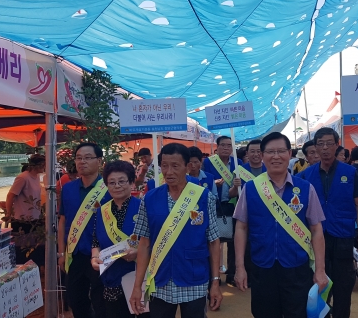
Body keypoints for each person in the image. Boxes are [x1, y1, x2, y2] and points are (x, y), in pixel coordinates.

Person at [233, 132, 329, 318]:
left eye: (281, 151)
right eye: (270, 152)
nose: (276, 156)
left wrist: (320, 269)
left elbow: (316, 230)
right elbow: (241, 227)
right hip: (262, 267)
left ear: (290, 154)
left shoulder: (305, 188)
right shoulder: (250, 189)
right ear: (262, 155)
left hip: (297, 268)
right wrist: (239, 267)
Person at [129, 143, 222, 317]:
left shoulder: (203, 197)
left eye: (175, 166)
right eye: (164, 166)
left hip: (194, 278)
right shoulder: (149, 198)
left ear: (188, 167)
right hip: (160, 280)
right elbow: (144, 244)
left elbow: (214, 241)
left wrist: (215, 282)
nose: (169, 172)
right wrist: (137, 286)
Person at [298, 127, 358, 318]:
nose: (325, 148)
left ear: (337, 145)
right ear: (315, 147)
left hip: (343, 237)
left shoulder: (350, 172)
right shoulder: (306, 175)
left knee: (343, 289)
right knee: (317, 288)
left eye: (329, 143)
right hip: (316, 239)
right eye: (320, 144)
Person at [58, 143, 111, 318]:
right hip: (75, 254)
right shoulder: (68, 189)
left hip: (101, 255)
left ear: (99, 161)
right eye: (79, 158)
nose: (82, 162)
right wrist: (61, 253)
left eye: (88, 158)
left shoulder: (109, 188)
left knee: (101, 302)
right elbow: (63, 220)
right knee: (76, 300)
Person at [90, 160, 147, 317]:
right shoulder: (102, 211)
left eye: (122, 181)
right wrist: (95, 257)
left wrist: (137, 252)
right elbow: (95, 239)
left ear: (131, 182)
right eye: (112, 182)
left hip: (137, 276)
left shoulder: (144, 207)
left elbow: (153, 240)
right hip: (111, 277)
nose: (117, 186)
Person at [202, 136, 243, 285]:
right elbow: (204, 181)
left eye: (229, 146)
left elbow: (238, 190)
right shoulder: (208, 162)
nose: (226, 148)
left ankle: (232, 273)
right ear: (217, 147)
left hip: (232, 204)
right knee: (213, 240)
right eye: (223, 145)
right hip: (214, 205)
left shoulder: (238, 163)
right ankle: (214, 276)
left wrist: (236, 186)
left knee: (233, 241)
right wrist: (213, 184)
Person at [5, 154, 46, 232]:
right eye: (43, 165)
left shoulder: (37, 177)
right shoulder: (23, 178)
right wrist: (8, 213)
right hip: (22, 220)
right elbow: (10, 196)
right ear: (37, 165)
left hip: (35, 218)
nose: (44, 167)